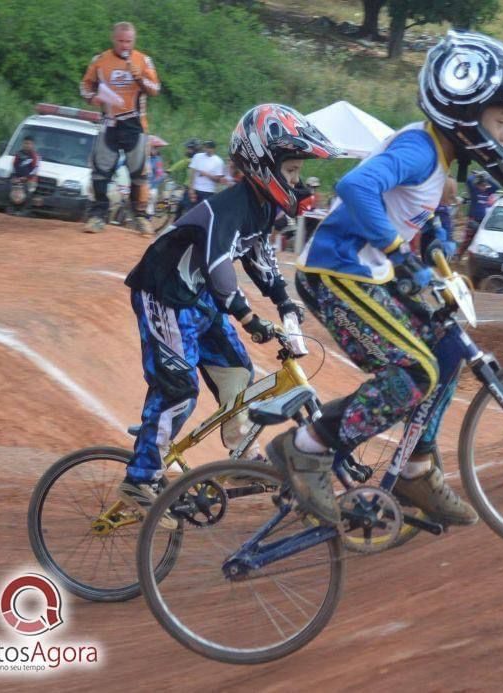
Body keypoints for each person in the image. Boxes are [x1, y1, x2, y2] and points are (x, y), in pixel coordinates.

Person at [276, 30, 503, 527]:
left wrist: (433, 245)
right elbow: (356, 186)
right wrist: (400, 252)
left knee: (448, 348)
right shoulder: (419, 149)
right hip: (339, 272)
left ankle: (416, 467)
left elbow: (419, 214)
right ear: (466, 112)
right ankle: (306, 448)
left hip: (370, 273)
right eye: (502, 121)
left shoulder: (438, 159)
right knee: (416, 371)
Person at [118, 104, 341, 516]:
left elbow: (258, 259)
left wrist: (283, 299)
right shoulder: (231, 205)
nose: (296, 182)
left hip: (197, 300)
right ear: (263, 165)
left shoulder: (261, 208)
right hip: (164, 295)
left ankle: (240, 455)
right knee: (179, 388)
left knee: (238, 370)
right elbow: (219, 264)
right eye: (291, 171)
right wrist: (246, 314)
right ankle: (140, 478)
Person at [80, 21, 161, 234]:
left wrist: (139, 76)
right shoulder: (100, 61)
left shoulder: (143, 60)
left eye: (129, 41)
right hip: (109, 122)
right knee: (100, 171)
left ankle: (141, 217)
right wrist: (92, 97)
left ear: (134, 41)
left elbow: (155, 89)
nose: (125, 45)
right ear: (113, 39)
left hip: (135, 124)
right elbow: (85, 85)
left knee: (139, 173)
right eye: (121, 41)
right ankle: (98, 215)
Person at [457, 170, 499, 257]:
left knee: (478, 239)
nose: (484, 187)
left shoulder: (487, 192)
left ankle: (472, 256)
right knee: (468, 239)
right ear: (478, 185)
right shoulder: (475, 191)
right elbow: (469, 180)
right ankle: (457, 255)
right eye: (483, 185)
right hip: (473, 218)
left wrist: (487, 177)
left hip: (482, 220)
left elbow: (496, 187)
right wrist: (476, 175)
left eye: (485, 185)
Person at [188, 140, 224, 208]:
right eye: (205, 147)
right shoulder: (197, 156)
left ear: (213, 149)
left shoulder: (218, 161)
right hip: (196, 189)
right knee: (191, 210)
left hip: (208, 191)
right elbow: (192, 172)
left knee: (203, 212)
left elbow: (218, 179)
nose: (206, 149)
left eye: (208, 147)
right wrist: (191, 188)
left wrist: (206, 174)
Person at [9, 136, 40, 216]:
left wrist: (26, 178)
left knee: (29, 191)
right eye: (25, 143)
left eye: (29, 143)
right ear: (22, 144)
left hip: (30, 179)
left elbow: (35, 169)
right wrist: (15, 177)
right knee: (12, 188)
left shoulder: (35, 156)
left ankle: (25, 210)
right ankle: (11, 208)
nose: (27, 145)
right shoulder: (18, 154)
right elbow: (14, 166)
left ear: (32, 145)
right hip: (18, 178)